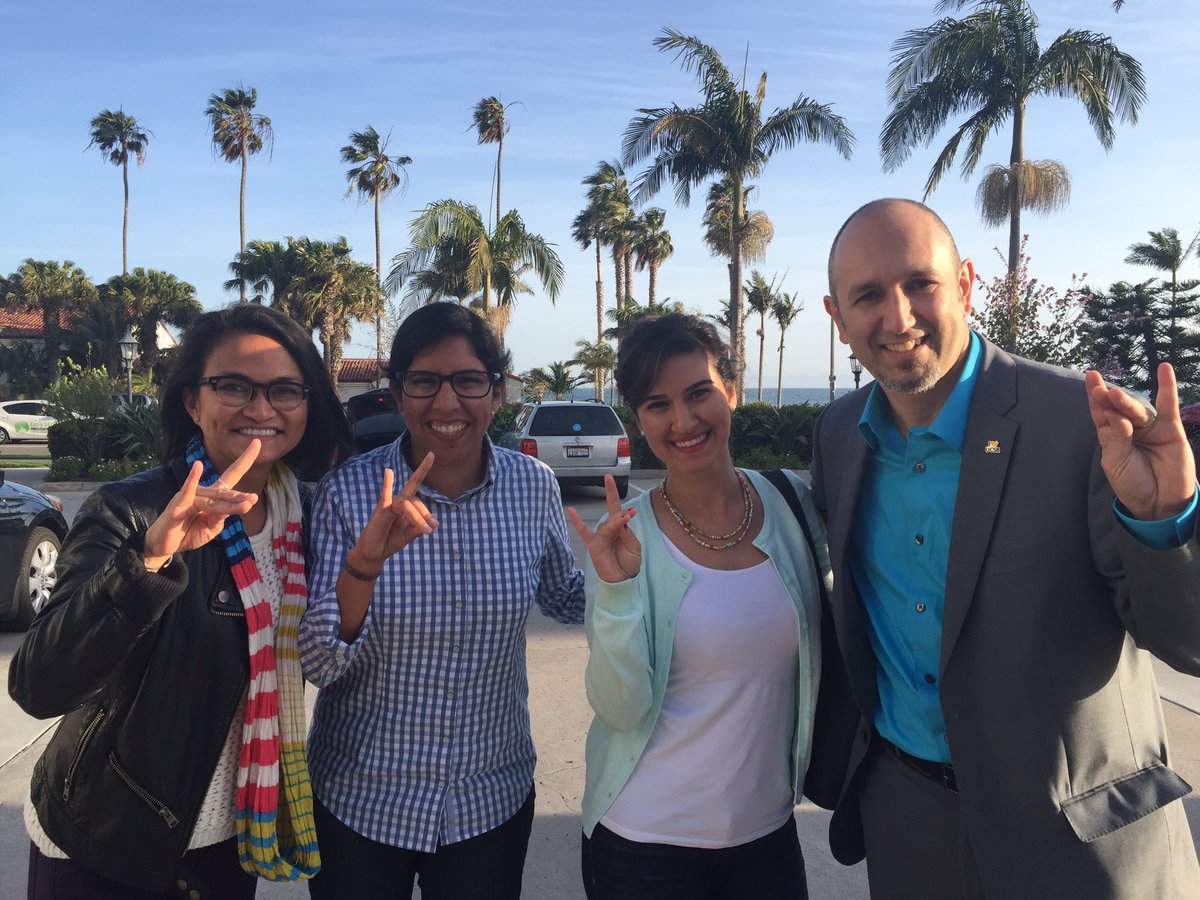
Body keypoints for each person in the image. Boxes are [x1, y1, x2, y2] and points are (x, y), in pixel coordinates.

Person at [811, 197, 1200, 898]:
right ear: (837, 317)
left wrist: (1162, 519)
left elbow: (1190, 643)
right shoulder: (838, 436)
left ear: (964, 284)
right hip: (910, 829)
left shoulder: (1080, 424)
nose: (897, 318)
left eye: (919, 284)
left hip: (1078, 849)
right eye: (867, 295)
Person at [9, 303, 352, 898]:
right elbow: (40, 684)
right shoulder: (131, 509)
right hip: (108, 838)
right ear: (193, 402)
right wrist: (147, 561)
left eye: (285, 390)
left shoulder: (312, 516)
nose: (262, 409)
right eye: (235, 386)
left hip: (231, 841)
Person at [298, 302, 585, 900]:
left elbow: (569, 599)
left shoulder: (533, 488)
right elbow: (320, 664)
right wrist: (364, 566)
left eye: (469, 381)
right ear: (398, 393)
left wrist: (635, 572)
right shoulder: (349, 495)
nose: (447, 403)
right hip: (361, 800)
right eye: (424, 381)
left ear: (498, 392)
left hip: (489, 800)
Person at [569, 313, 832, 900]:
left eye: (699, 394)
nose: (683, 421)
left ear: (732, 391)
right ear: (638, 419)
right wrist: (614, 592)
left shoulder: (794, 504)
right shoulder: (624, 535)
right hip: (644, 841)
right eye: (657, 404)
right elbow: (620, 708)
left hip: (766, 838)